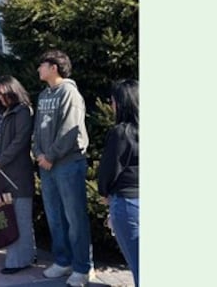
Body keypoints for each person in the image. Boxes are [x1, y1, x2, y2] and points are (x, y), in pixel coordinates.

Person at [33, 50, 94, 287]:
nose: (39, 69)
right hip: (47, 165)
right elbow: (37, 129)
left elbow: (71, 128)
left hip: (68, 164)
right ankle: (63, 261)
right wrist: (38, 152)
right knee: (55, 216)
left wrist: (51, 155)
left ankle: (82, 267)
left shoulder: (70, 93)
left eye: (42, 65)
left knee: (75, 217)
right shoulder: (43, 95)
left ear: (54, 67)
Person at [0, 76, 36, 274]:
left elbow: (21, 141)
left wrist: (1, 159)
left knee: (20, 216)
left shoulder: (23, 111)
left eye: (3, 93)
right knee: (10, 215)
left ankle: (17, 261)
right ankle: (27, 254)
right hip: (0, 173)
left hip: (17, 172)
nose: (0, 97)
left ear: (13, 91)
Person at [97, 79, 139, 287]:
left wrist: (104, 192)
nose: (111, 105)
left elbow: (108, 170)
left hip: (128, 203)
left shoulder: (121, 133)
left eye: (112, 101)